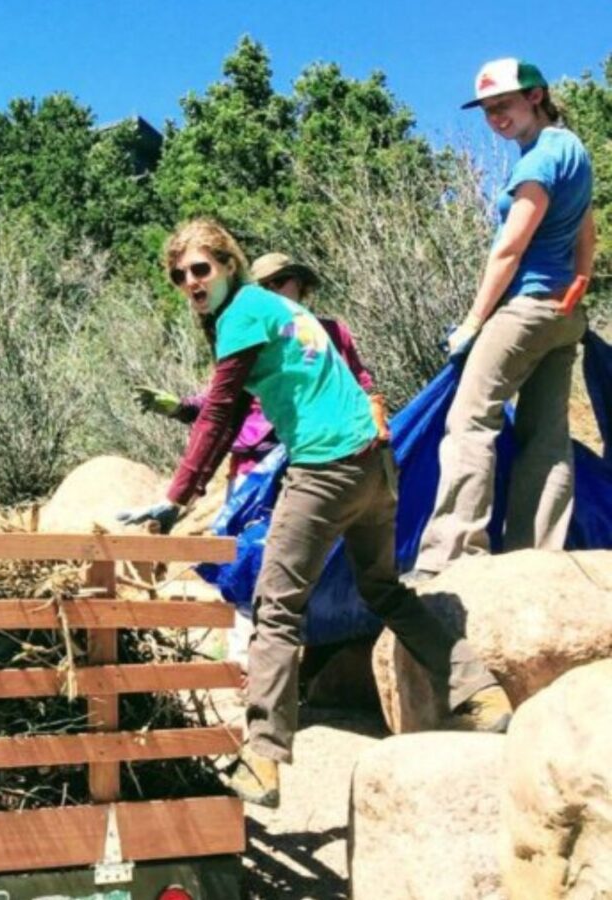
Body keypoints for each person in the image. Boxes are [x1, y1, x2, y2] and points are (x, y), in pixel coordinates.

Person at [118, 219, 511, 809]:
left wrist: (176, 498)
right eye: (179, 276)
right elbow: (242, 403)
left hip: (325, 469)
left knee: (276, 611)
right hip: (375, 468)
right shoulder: (281, 313)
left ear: (228, 263)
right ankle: (480, 692)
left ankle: (263, 758)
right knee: (382, 588)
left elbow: (223, 412)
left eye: (201, 268)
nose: (191, 282)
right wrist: (189, 463)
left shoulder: (243, 314)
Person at [413, 59, 595, 577]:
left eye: (505, 105)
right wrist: (577, 287)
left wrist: (473, 321)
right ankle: (537, 559)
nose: (496, 117)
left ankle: (451, 555)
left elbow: (509, 248)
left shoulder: (539, 160)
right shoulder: (572, 150)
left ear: (536, 96)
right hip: (561, 313)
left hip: (524, 309)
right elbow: (587, 232)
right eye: (489, 110)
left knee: (469, 421)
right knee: (546, 436)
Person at [132, 254, 382, 490]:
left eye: (280, 281)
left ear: (300, 284)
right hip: (257, 455)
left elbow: (361, 384)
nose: (272, 289)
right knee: (243, 530)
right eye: (263, 286)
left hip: (325, 448)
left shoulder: (332, 331)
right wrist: (181, 407)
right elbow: (222, 398)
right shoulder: (249, 333)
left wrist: (375, 420)